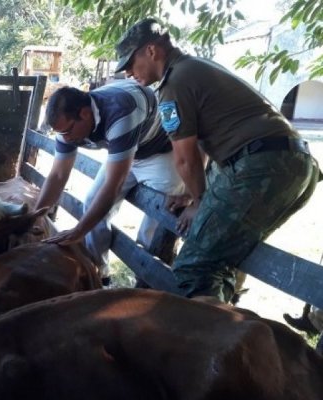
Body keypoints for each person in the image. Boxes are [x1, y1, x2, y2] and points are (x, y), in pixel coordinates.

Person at [114, 18, 320, 302]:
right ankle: (229, 329)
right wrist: (191, 193)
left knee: (194, 269)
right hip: (296, 165)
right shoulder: (197, 68)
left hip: (262, 166)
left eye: (129, 62)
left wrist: (200, 203)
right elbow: (203, 148)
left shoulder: (174, 85)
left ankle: (214, 342)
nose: (127, 72)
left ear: (151, 51)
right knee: (225, 255)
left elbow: (185, 159)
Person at [34, 81, 184, 283]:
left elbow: (114, 183)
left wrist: (79, 231)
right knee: (92, 201)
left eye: (68, 131)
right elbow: (58, 175)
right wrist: (35, 217)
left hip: (160, 152)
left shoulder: (122, 111)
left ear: (85, 114)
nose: (65, 138)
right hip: (124, 149)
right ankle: (98, 271)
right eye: (61, 133)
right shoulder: (66, 128)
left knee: (157, 216)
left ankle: (144, 280)